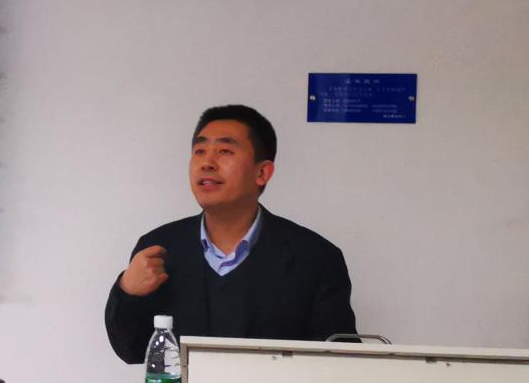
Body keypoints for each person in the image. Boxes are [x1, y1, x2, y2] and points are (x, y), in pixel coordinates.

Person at [105, 104, 357, 364]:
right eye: (200, 151)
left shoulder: (315, 257)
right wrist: (127, 291)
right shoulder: (158, 248)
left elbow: (340, 361)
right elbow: (131, 350)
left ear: (262, 172)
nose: (207, 163)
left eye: (225, 151)